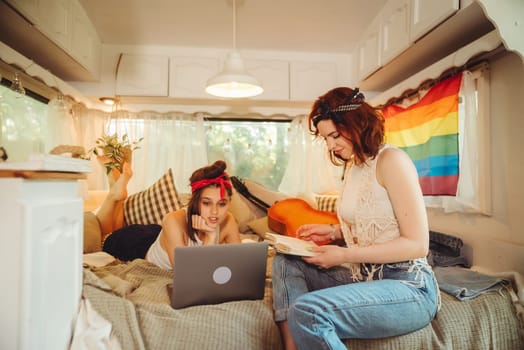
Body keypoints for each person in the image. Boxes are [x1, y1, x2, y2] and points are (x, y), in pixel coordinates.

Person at [272, 87, 440, 350]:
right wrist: (333, 232)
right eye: (326, 139)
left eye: (335, 135)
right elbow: (374, 221)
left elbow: (417, 244)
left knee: (309, 311)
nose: (331, 146)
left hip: (408, 286)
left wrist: (343, 255)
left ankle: (304, 326)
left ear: (357, 123)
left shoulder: (392, 160)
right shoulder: (355, 166)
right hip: (365, 277)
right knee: (286, 262)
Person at [97, 160, 242, 268]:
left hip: (162, 236)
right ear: (196, 202)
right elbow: (191, 276)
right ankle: (114, 196)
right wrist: (210, 238)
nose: (215, 212)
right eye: (206, 203)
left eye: (222, 204)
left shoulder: (229, 221)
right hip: (139, 244)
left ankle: (118, 196)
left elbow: (240, 266)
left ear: (229, 202)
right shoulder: (173, 220)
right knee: (106, 236)